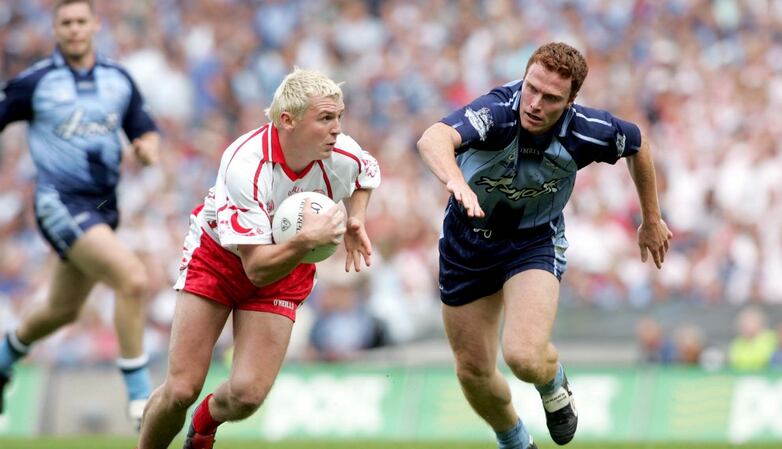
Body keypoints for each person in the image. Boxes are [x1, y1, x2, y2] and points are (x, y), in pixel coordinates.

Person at [417, 42, 672, 448]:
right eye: (531, 88)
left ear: (570, 101)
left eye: (550, 97)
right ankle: (515, 439)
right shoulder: (496, 113)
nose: (534, 103)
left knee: (522, 355)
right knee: (472, 371)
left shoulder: (588, 129)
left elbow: (637, 145)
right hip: (467, 244)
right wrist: (455, 180)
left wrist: (652, 218)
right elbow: (433, 138)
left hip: (531, 241)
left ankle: (553, 382)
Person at [136, 67, 380, 449]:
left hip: (287, 267)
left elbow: (367, 172)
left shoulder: (342, 153)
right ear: (288, 120)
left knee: (248, 395)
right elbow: (255, 267)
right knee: (182, 388)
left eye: (339, 117)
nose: (337, 129)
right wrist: (304, 241)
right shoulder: (245, 163)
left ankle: (205, 422)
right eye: (326, 118)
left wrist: (356, 218)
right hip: (219, 258)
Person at [0, 0, 159, 429]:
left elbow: (143, 126)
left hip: (105, 207)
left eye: (80, 21)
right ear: (55, 28)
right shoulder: (35, 82)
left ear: (95, 25)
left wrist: (147, 148)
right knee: (133, 278)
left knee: (61, 310)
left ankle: (1, 360)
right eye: (65, 22)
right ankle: (141, 398)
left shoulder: (118, 79)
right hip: (58, 201)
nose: (73, 29)